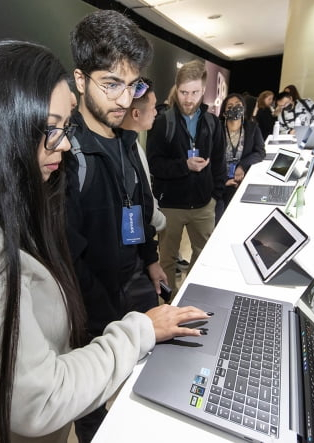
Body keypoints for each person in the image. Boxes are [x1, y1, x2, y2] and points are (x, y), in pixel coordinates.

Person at [0, 40, 209, 443]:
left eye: (65, 128)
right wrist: (138, 330)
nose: (66, 144)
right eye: (51, 129)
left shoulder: (11, 208)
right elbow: (39, 399)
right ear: (1, 130)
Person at [65, 10, 167, 441]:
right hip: (91, 307)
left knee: (149, 389)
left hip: (134, 281)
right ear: (80, 79)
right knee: (92, 402)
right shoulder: (65, 153)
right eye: (112, 84)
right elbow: (68, 255)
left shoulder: (126, 139)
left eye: (134, 84)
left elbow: (140, 209)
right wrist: (114, 323)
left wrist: (152, 260)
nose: (126, 100)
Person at [146, 59, 226, 291]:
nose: (188, 99)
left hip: (204, 205)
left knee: (203, 257)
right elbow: (154, 164)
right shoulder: (162, 122)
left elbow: (219, 162)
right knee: (168, 259)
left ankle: (192, 296)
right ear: (176, 88)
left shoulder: (212, 123)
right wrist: (185, 165)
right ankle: (170, 305)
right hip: (170, 205)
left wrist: (215, 196)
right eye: (183, 92)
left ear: (203, 91)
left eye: (194, 92)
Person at [119, 78, 166, 234]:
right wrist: (161, 221)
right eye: (152, 107)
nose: (155, 112)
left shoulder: (134, 145)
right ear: (136, 113)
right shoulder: (126, 150)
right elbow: (142, 202)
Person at [217, 93, 266, 220]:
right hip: (219, 182)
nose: (235, 108)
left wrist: (242, 165)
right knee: (220, 218)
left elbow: (260, 152)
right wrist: (222, 181)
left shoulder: (252, 128)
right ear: (223, 112)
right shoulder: (216, 129)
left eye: (238, 105)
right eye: (230, 106)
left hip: (241, 179)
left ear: (243, 109)